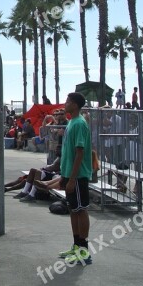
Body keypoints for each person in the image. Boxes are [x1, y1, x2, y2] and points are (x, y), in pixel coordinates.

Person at [57, 92, 93, 265]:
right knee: (73, 210)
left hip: (78, 175)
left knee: (81, 209)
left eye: (68, 101)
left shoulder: (79, 123)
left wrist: (72, 178)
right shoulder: (71, 121)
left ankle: (84, 250)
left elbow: (80, 152)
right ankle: (76, 245)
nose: (65, 104)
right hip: (69, 173)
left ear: (75, 105)